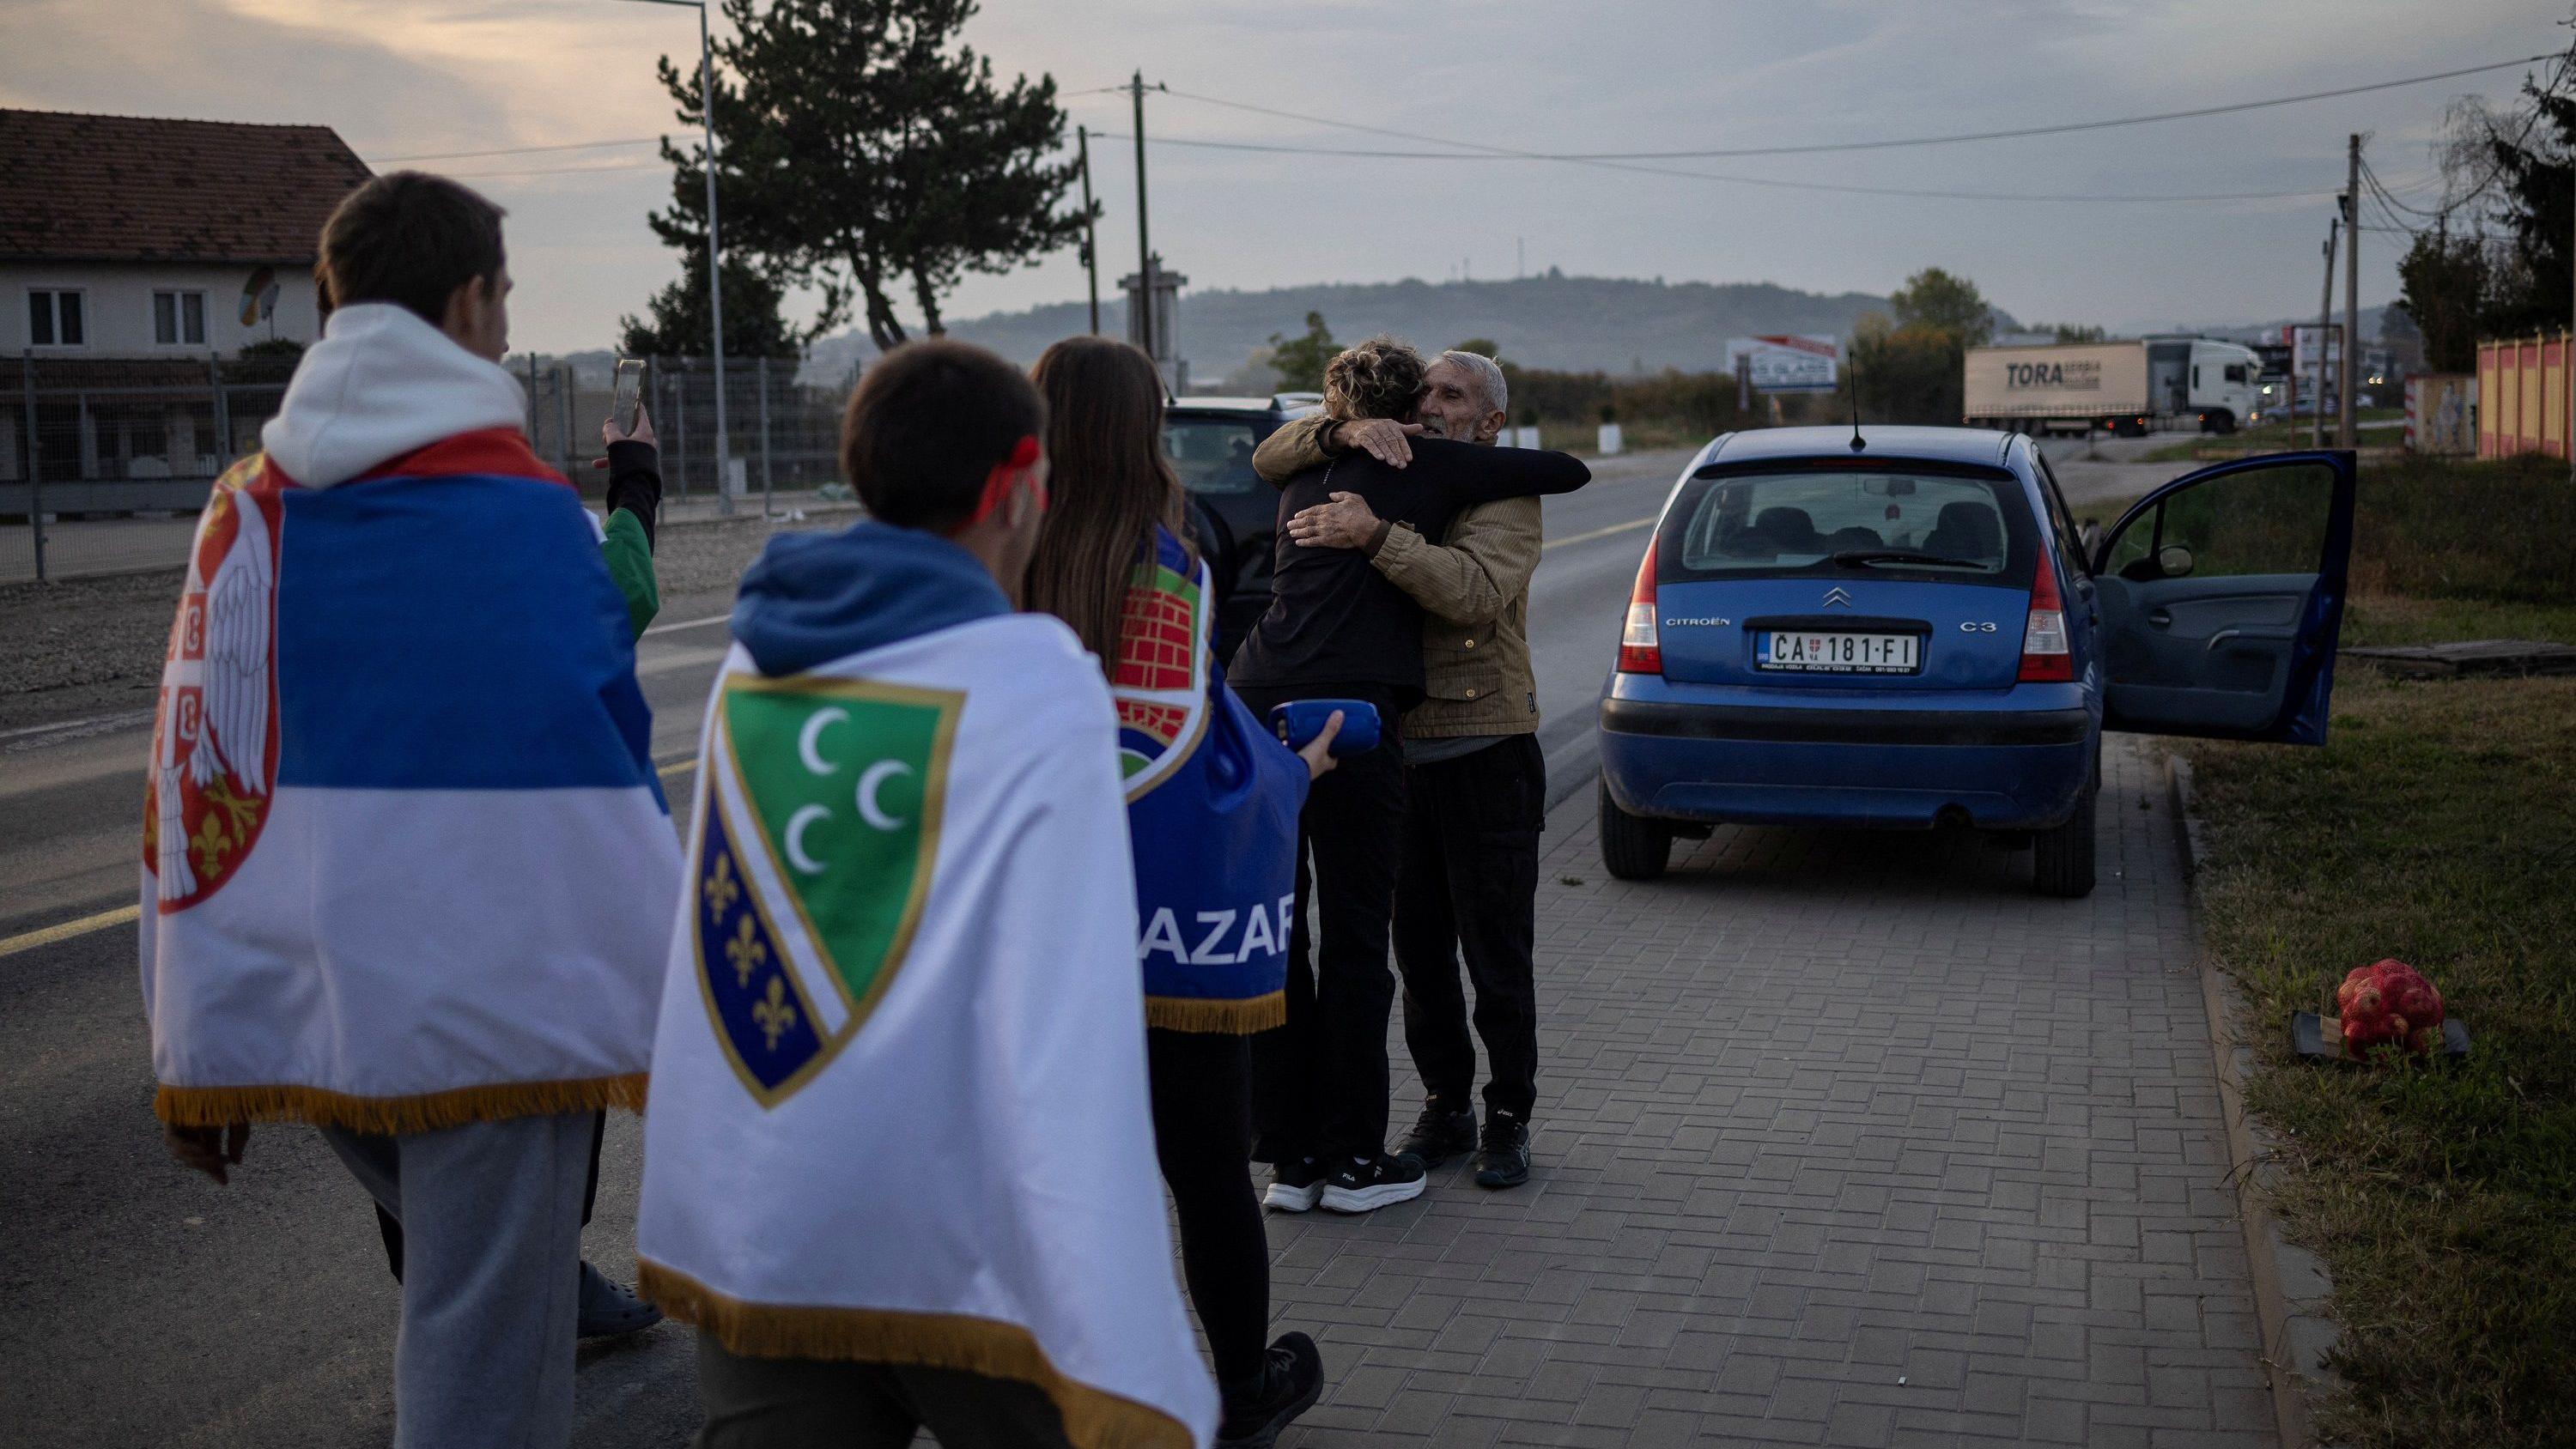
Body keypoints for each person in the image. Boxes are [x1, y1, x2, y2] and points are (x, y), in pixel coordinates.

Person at [144, 171, 682, 1448]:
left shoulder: (245, 505)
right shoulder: (521, 515)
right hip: (490, 1001)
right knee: (483, 1357)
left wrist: (196, 1025)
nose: (506, 324)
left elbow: (196, 764)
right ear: (468, 300)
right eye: (504, 297)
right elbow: (598, 743)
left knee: (453, 1305)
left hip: (314, 986)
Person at [635, 339, 1218, 1449]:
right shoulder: (1038, 688)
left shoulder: (756, 665)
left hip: (777, 1203)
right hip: (962, 1224)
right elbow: (1067, 1004)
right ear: (1017, 488)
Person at [1024, 336, 1333, 1447]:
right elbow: (1189, 745)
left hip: (1036, 924)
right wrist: (1297, 770)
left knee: (1059, 1177)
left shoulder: (994, 563)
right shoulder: (1173, 563)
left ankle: (1060, 1389)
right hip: (1165, 923)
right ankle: (1242, 1388)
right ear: (1142, 431)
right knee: (1206, 1170)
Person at [1227, 336, 1589, 1216]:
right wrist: (1341, 432)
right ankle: (1445, 1106)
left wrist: (1376, 534)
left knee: (1495, 950)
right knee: (1416, 952)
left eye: (1453, 396)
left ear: (1490, 421)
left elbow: (1472, 591)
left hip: (1481, 740)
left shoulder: (1501, 490)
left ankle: (1509, 1115)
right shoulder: (1370, 453)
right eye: (1424, 390)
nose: (1430, 406)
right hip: (1393, 742)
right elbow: (1271, 452)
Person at [365, 400, 670, 1338]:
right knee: (551, 1062)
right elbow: (622, 596)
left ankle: (438, 1277)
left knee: (408, 1076)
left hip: (384, 856)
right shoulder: (523, 513)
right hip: (521, 857)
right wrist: (637, 481)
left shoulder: (324, 520)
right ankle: (544, 1281)